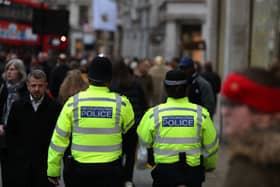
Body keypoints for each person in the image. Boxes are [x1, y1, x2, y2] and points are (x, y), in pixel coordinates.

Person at [47, 56, 135, 187]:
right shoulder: (122, 104)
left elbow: (59, 138)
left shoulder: (73, 103)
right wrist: (127, 175)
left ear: (87, 78)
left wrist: (53, 170)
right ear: (110, 79)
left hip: (79, 171)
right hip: (110, 172)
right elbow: (130, 140)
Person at [137, 69, 219, 187]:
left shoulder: (153, 114)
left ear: (165, 88)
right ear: (187, 88)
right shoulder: (201, 114)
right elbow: (212, 145)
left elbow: (143, 143)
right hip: (193, 173)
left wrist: (146, 163)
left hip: (164, 173)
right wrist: (209, 165)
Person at [221, 67, 280, 187]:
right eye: (225, 103)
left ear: (263, 116)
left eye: (234, 105)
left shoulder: (247, 169)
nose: (224, 112)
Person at [6, 69, 61, 187]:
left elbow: (58, 137)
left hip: (45, 165)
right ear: (28, 86)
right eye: (33, 85)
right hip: (22, 164)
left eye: (40, 86)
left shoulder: (55, 107)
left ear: (46, 85)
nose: (36, 89)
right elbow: (11, 136)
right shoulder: (18, 107)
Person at [111, 59, 148, 187]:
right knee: (130, 153)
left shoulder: (113, 85)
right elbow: (144, 103)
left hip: (118, 125)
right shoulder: (135, 83)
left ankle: (119, 178)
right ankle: (128, 179)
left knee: (117, 153)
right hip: (134, 124)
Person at [0, 58, 28, 187]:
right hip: (4, 135)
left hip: (20, 137)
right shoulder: (3, 89)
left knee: (18, 172)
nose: (9, 72)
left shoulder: (25, 91)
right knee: (6, 171)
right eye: (7, 69)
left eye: (12, 69)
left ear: (20, 72)